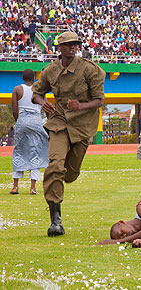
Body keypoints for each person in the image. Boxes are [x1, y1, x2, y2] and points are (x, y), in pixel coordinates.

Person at [32, 31, 106, 237]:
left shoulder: (90, 70)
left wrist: (80, 105)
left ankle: (61, 181)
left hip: (82, 126)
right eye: (68, 45)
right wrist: (43, 102)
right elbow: (37, 93)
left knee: (70, 174)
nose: (73, 48)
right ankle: (56, 220)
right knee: (55, 165)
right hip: (58, 122)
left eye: (75, 44)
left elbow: (100, 100)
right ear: (60, 48)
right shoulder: (50, 71)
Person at [10, 69, 49, 195]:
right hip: (36, 121)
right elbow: (47, 108)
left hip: (22, 120)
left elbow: (15, 111)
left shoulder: (17, 89)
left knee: (19, 151)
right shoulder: (40, 91)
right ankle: (33, 188)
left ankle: (15, 186)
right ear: (34, 78)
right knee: (36, 152)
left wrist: (19, 122)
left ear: (22, 77)